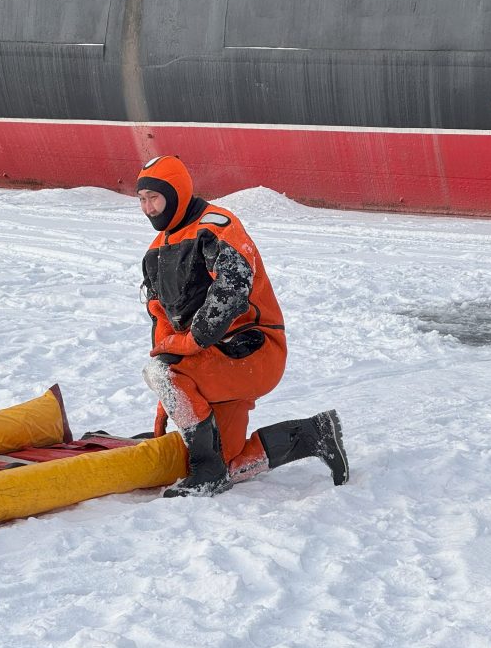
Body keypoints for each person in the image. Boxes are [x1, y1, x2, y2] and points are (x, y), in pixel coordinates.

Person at [137, 155, 349, 497]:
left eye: (154, 198)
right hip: (211, 358)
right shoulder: (154, 253)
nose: (148, 208)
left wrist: (182, 355)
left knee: (166, 377)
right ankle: (313, 435)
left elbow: (233, 289)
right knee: (228, 465)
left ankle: (206, 470)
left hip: (252, 348)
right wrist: (166, 399)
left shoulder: (215, 227)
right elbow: (161, 321)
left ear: (176, 192)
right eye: (142, 200)